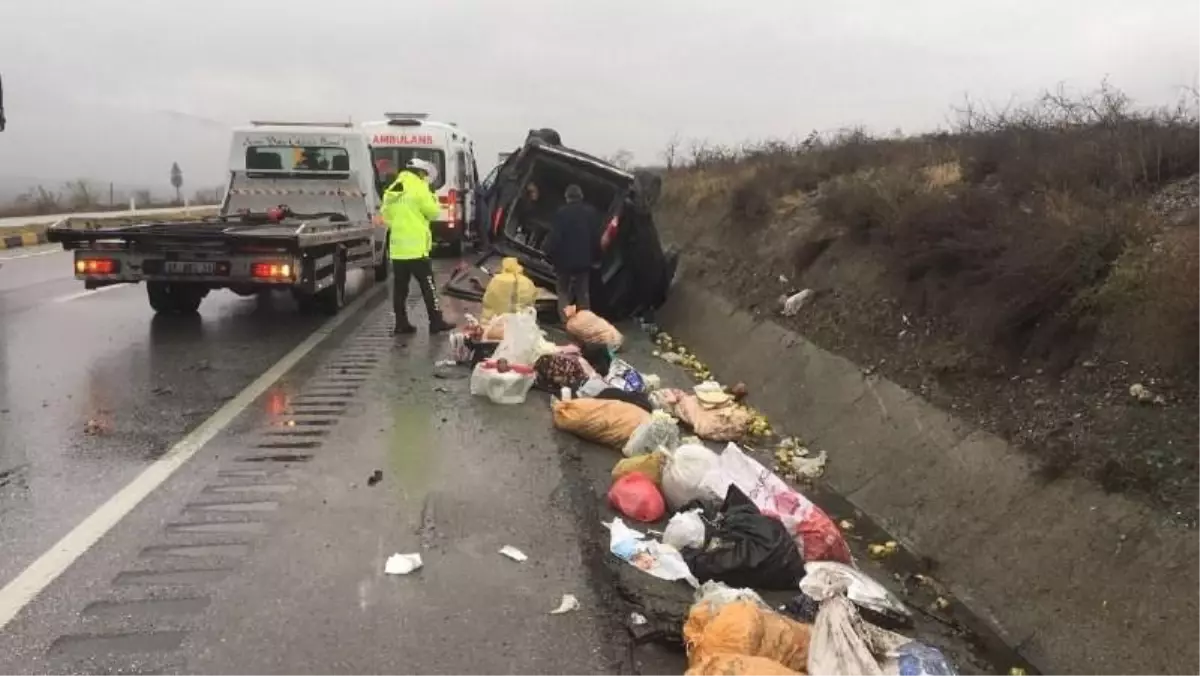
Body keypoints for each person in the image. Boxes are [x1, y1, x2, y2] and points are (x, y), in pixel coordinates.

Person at [381, 158, 453, 336]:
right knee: (428, 286)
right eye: (425, 175)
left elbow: (386, 217)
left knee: (400, 289)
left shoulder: (393, 188)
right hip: (416, 249)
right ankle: (435, 322)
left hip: (398, 249)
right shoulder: (420, 188)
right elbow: (434, 212)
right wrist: (432, 195)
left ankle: (401, 324)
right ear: (421, 172)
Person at [544, 184, 603, 321]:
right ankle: (585, 323)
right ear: (581, 197)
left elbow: (555, 237)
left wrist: (548, 254)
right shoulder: (591, 213)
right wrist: (597, 258)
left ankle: (567, 322)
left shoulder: (561, 213)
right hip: (583, 262)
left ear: (567, 197)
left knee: (563, 292)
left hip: (564, 263)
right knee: (583, 293)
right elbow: (596, 238)